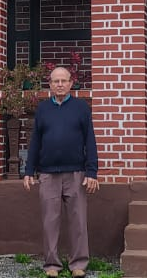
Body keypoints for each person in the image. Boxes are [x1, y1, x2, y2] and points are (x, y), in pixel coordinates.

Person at [23, 66, 99, 278]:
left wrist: (92, 172)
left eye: (63, 81)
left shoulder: (81, 108)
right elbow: (36, 141)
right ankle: (52, 265)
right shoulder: (43, 109)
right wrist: (29, 170)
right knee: (50, 221)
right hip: (48, 174)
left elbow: (89, 141)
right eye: (55, 81)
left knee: (78, 220)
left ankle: (78, 264)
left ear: (70, 83)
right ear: (50, 84)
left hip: (76, 173)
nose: (59, 84)